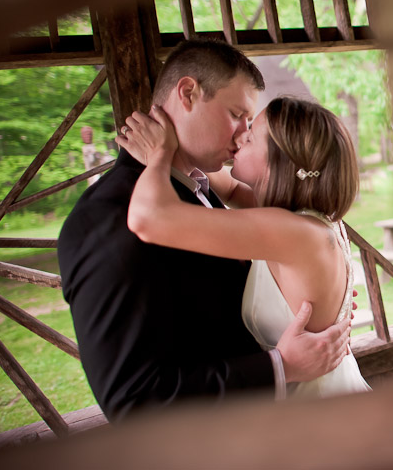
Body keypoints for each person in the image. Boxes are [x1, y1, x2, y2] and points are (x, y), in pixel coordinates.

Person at [58, 39, 352, 422]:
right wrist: (280, 366)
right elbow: (133, 400)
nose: (242, 134)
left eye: (252, 127)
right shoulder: (105, 217)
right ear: (188, 93)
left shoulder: (211, 195)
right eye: (237, 114)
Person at [120, 95, 371, 400]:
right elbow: (231, 187)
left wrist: (158, 154)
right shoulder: (306, 221)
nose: (239, 138)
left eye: (250, 136)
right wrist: (183, 138)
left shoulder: (292, 233)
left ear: (279, 160)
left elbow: (149, 218)